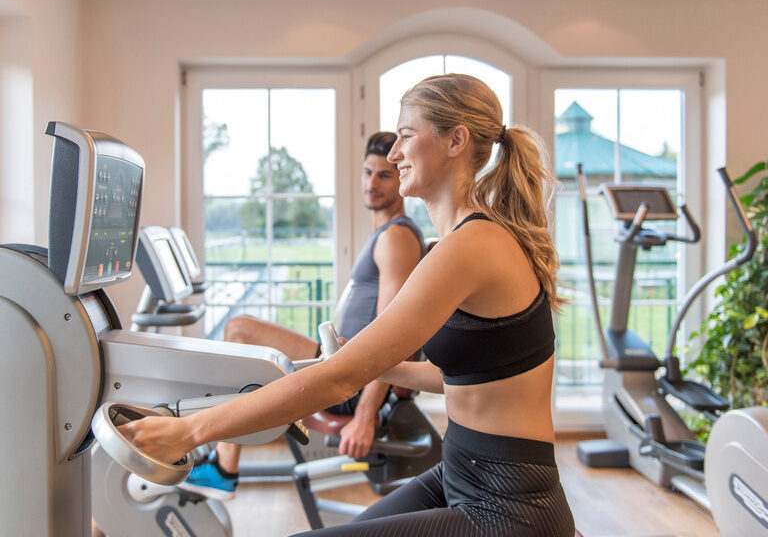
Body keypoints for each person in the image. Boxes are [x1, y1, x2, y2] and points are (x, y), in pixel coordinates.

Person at [122, 73, 576, 536]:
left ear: (455, 140)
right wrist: (387, 368)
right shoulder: (459, 242)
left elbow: (338, 379)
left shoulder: (471, 245)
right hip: (459, 472)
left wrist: (190, 430)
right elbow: (466, 374)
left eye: (405, 136)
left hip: (507, 502)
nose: (395, 154)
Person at [181, 131, 425, 500]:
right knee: (240, 333)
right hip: (343, 363)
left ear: (400, 179)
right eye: (367, 173)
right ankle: (218, 457)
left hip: (351, 380)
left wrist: (364, 414)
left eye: (384, 175)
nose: (372, 183)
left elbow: (391, 336)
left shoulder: (396, 238)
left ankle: (223, 466)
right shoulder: (384, 233)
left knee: (241, 330)